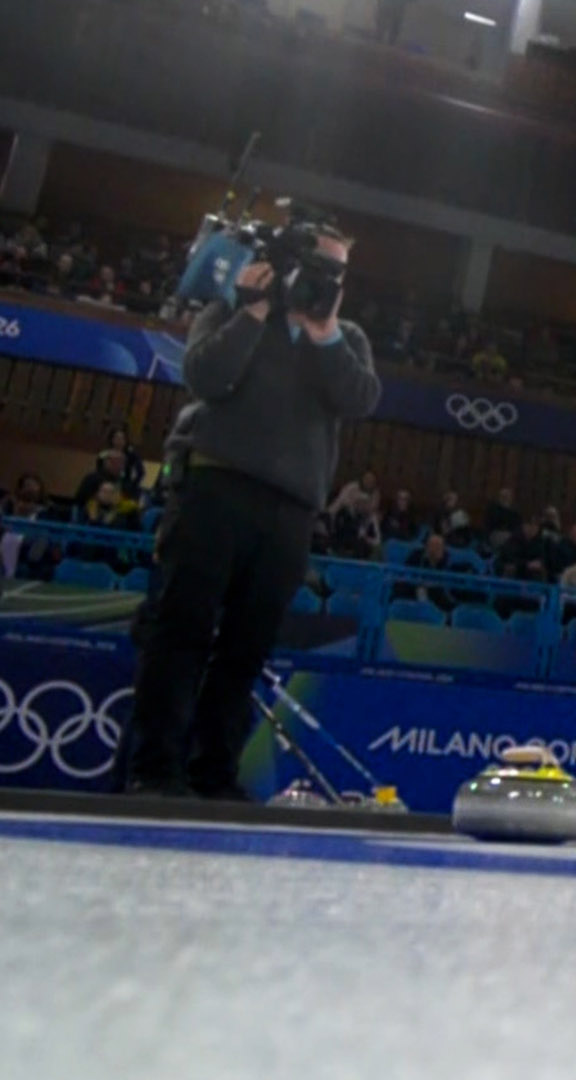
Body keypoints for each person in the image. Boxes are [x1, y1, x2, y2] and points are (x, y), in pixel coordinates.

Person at [116, 219, 379, 799]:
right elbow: (204, 377)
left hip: (290, 509)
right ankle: (154, 770)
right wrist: (254, 311)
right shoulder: (234, 308)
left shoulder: (345, 337)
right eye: (320, 269)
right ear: (287, 262)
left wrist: (325, 331)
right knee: (180, 633)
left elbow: (359, 398)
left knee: (246, 648)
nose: (330, 281)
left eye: (339, 273)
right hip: (215, 487)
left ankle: (214, 775)